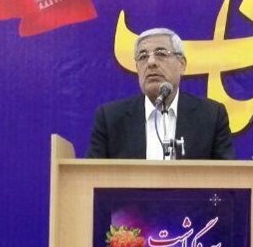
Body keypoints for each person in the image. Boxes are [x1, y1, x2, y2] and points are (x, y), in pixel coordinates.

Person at [87, 28, 234, 160]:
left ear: (182, 64)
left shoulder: (211, 116)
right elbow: (92, 177)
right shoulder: (110, 119)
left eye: (161, 54)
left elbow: (227, 177)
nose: (151, 62)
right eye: (143, 56)